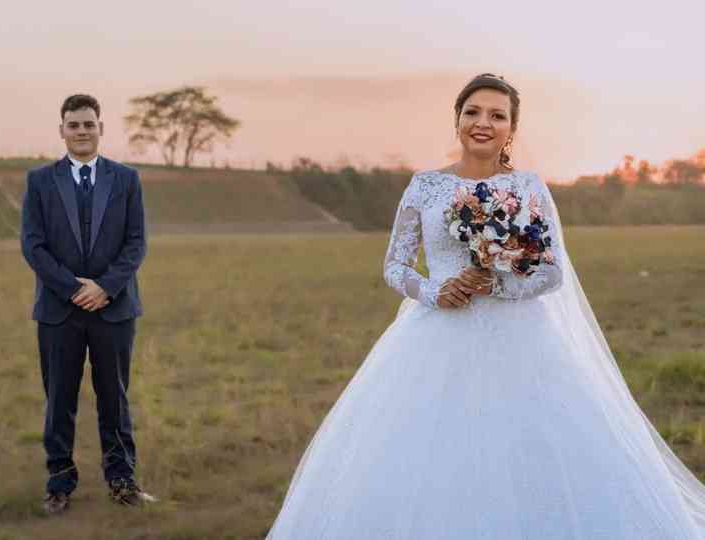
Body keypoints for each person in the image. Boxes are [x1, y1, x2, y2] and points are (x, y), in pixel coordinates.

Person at [265, 73, 705, 538]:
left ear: (511, 129)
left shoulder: (529, 188)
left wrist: (492, 284)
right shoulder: (425, 187)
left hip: (521, 339)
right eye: (473, 112)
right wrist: (435, 291)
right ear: (457, 120)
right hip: (435, 334)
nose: (483, 123)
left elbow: (551, 272)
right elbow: (395, 265)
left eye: (497, 115)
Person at [20, 94, 155, 514]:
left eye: (88, 124)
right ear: (61, 130)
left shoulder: (126, 179)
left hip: (113, 309)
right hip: (59, 312)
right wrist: (72, 288)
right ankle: (59, 483)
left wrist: (106, 288)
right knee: (59, 398)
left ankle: (122, 481)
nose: (81, 131)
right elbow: (33, 244)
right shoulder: (40, 181)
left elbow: (136, 243)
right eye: (73, 125)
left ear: (101, 128)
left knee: (114, 398)